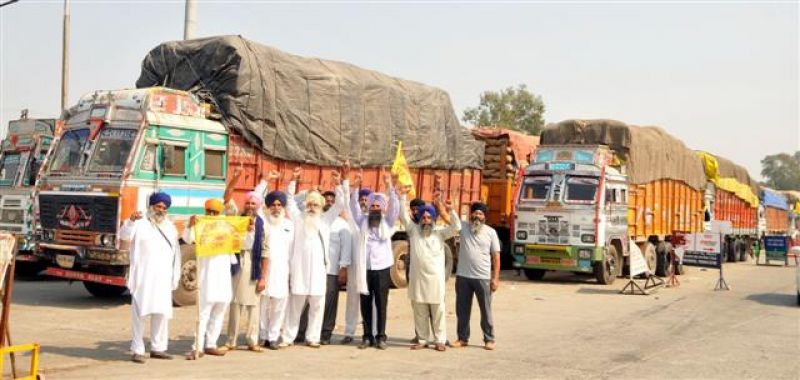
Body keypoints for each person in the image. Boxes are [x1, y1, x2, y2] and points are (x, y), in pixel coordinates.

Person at [281, 164, 348, 348]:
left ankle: (313, 337)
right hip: (299, 270)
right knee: (295, 306)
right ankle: (288, 337)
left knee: (317, 305)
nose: (312, 207)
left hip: (319, 272)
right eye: (309, 204)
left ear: (321, 206)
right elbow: (288, 201)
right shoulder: (297, 218)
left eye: (315, 204)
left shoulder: (326, 220)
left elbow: (341, 204)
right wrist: (293, 180)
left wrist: (338, 184)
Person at [120, 192, 181, 364]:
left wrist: (174, 275)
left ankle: (158, 347)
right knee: (139, 313)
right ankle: (138, 349)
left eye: (164, 207)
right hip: (143, 276)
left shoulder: (170, 227)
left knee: (161, 313)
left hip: (163, 277)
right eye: (158, 206)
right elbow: (124, 236)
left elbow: (176, 253)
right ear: (151, 206)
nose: (160, 210)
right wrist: (130, 221)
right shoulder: (139, 224)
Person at [399, 188, 460, 352]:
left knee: (438, 311)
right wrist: (402, 196)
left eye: (429, 217)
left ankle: (440, 340)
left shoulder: (440, 233)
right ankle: (423, 339)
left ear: (433, 219)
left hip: (435, 281)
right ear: (420, 219)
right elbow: (403, 216)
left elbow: (457, 227)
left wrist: (451, 210)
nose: (426, 220)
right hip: (418, 280)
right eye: (423, 217)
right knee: (419, 311)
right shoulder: (413, 231)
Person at [345, 173, 399, 350]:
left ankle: (381, 337)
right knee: (366, 303)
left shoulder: (388, 222)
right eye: (372, 205)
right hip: (365, 269)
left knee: (381, 304)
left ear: (382, 209)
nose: (375, 208)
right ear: (368, 207)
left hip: (382, 269)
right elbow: (354, 206)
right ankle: (367, 336)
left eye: (378, 206)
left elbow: (395, 208)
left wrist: (389, 186)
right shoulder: (363, 220)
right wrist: (355, 188)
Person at [183, 198, 236, 359]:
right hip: (207, 279)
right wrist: (190, 225)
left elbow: (240, 245)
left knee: (219, 312)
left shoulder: (227, 229)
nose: (211, 214)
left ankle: (211, 344)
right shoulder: (201, 226)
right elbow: (187, 239)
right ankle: (197, 347)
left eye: (215, 212)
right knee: (203, 314)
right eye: (209, 211)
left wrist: (248, 229)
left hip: (224, 280)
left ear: (220, 213)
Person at [451, 202, 501, 351]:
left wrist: (495, 278)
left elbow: (496, 257)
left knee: (485, 310)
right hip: (463, 277)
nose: (477, 216)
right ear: (471, 215)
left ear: (485, 217)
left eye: (480, 214)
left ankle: (489, 339)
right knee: (462, 310)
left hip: (482, 278)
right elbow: (448, 217)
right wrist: (441, 202)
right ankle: (462, 338)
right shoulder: (464, 227)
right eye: (475, 213)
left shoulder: (491, 232)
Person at [225, 190, 269, 352]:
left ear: (258, 206)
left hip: (254, 265)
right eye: (248, 203)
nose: (250, 206)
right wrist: (235, 178)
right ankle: (231, 340)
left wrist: (263, 277)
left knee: (254, 305)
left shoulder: (262, 225)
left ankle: (252, 340)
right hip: (238, 262)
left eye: (253, 203)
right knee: (235, 303)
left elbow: (265, 252)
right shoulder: (237, 219)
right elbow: (227, 199)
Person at [260, 182, 296, 350]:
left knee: (279, 306)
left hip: (283, 271)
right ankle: (262, 336)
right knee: (263, 305)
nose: (276, 208)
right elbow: (257, 197)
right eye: (273, 204)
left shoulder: (289, 225)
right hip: (264, 271)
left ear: (283, 207)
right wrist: (264, 181)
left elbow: (293, 252)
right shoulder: (263, 222)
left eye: (279, 205)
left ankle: (273, 337)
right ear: (268, 207)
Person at [320, 190, 353, 345]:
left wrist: (343, 268)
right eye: (326, 200)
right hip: (315, 270)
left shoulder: (342, 225)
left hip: (332, 271)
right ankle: (305, 331)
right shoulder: (317, 220)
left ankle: (326, 333)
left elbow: (346, 248)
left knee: (329, 304)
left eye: (332, 201)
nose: (329, 203)